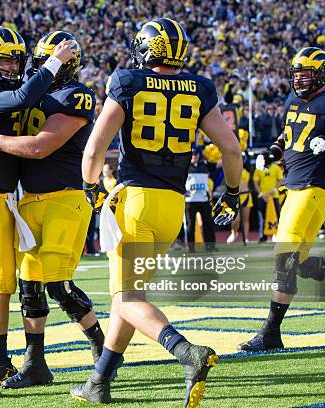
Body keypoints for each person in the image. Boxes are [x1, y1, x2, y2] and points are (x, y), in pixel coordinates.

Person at [70, 18, 243, 407]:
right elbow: (231, 150)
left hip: (135, 200)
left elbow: (95, 148)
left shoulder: (128, 81)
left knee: (128, 296)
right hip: (171, 205)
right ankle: (100, 381)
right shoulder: (199, 87)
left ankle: (186, 352)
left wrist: (91, 186)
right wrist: (231, 193)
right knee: (130, 298)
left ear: (147, 49)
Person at [0, 30, 108, 389]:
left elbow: (41, 147)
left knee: (56, 284)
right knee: (26, 287)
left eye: (21, 60)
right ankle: (33, 364)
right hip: (20, 199)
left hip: (61, 196)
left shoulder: (75, 95)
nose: (20, 67)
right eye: (38, 63)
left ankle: (104, 352)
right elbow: (19, 99)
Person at [239, 47, 325, 353]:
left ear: (321, 73)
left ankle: (271, 332)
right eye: (296, 74)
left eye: (305, 74)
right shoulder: (293, 99)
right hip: (297, 187)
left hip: (314, 188)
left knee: (283, 256)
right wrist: (273, 152)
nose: (299, 80)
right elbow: (289, 135)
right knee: (300, 263)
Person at [185, 149, 216, 251]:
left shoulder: (205, 165)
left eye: (195, 154)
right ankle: (191, 247)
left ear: (198, 155)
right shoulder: (184, 167)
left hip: (204, 200)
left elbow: (219, 164)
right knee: (191, 224)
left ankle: (210, 246)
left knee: (208, 223)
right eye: (192, 154)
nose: (194, 156)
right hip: (190, 201)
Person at [253, 161, 283, 242]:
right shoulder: (259, 168)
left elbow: (281, 180)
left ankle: (277, 235)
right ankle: (262, 236)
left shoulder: (276, 167)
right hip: (263, 196)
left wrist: (275, 189)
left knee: (277, 215)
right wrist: (261, 194)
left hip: (274, 196)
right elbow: (255, 182)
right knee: (262, 217)